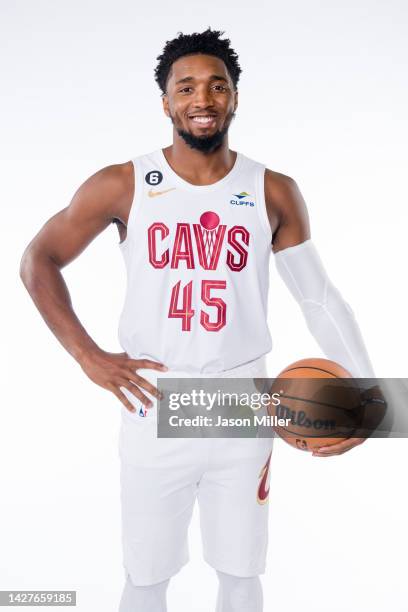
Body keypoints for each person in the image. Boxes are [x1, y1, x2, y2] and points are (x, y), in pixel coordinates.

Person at [20, 27, 379, 612]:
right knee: (146, 575)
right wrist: (88, 355)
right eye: (186, 87)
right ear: (166, 103)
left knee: (241, 572)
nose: (202, 99)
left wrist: (372, 397)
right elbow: (40, 259)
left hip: (243, 401)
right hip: (156, 396)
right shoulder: (123, 182)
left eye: (217, 86)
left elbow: (320, 300)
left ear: (235, 97)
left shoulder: (273, 190)